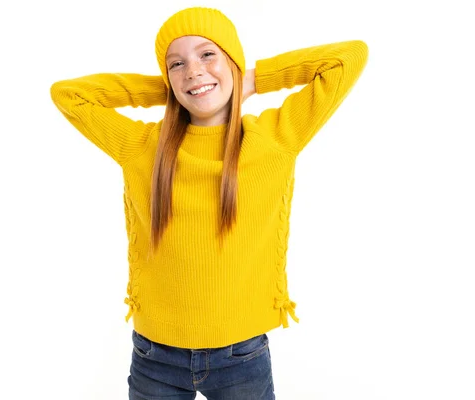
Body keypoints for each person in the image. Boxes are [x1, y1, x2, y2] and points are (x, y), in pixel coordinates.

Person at [50, 6, 368, 399]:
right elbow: (68, 94)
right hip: (154, 354)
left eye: (207, 55)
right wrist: (170, 89)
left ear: (232, 60)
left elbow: (349, 57)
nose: (194, 70)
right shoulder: (141, 147)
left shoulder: (275, 139)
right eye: (177, 63)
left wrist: (249, 79)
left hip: (241, 354)